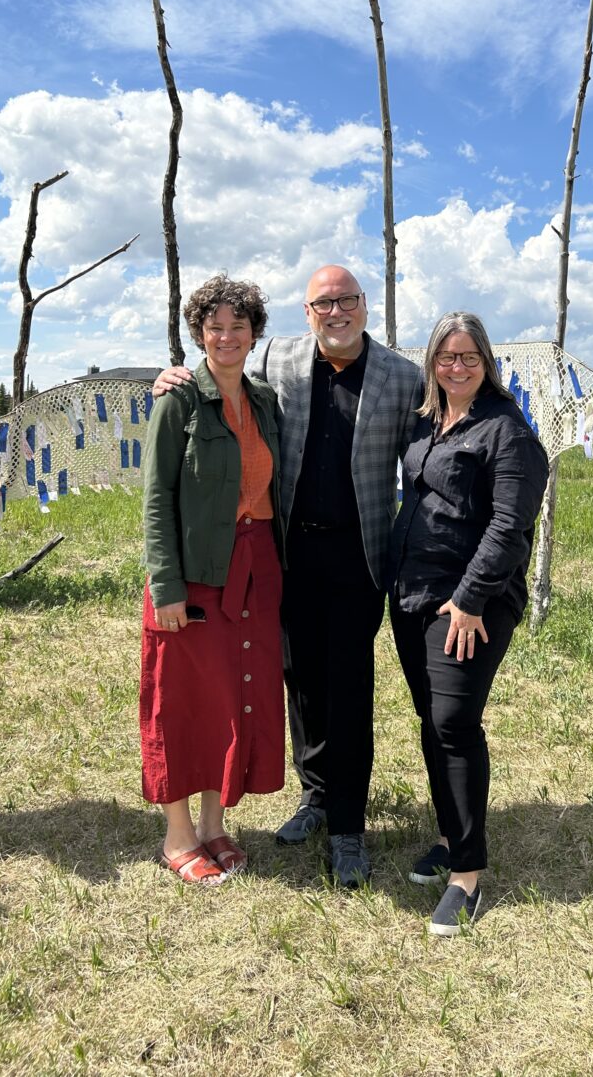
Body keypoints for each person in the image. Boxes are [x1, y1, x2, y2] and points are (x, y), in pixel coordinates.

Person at [153, 265, 422, 887]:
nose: (336, 312)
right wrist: (166, 376)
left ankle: (348, 827)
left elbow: (440, 435)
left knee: (347, 686)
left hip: (358, 557)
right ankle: (315, 795)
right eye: (323, 303)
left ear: (364, 305)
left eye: (346, 300)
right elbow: (214, 377)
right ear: (307, 313)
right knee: (298, 681)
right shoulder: (277, 359)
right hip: (286, 556)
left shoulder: (403, 376)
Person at [387, 312, 548, 935]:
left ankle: (468, 877)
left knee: (454, 722)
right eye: (446, 357)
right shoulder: (427, 420)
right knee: (432, 719)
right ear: (432, 362)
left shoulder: (507, 431)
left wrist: (471, 599)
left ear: (486, 362)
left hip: (470, 603)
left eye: (469, 357)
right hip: (413, 594)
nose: (456, 367)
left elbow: (510, 525)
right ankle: (451, 836)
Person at [141, 275, 285, 886]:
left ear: (254, 334)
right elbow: (156, 497)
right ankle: (178, 836)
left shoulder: (265, 401)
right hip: (196, 571)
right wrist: (166, 587)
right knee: (181, 700)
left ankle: (213, 823)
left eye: (238, 326)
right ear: (198, 334)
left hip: (255, 566)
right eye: (214, 327)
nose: (226, 337)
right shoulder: (177, 401)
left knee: (233, 693)